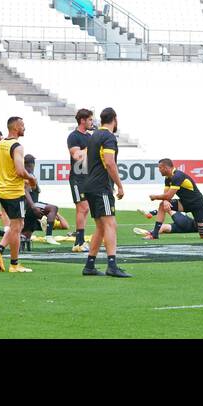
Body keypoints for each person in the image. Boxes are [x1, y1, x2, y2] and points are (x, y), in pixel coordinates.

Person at [82, 107, 129, 278]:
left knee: (101, 227)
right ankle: (112, 264)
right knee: (110, 224)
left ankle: (90, 265)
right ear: (114, 119)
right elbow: (109, 163)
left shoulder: (94, 135)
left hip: (90, 185)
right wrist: (120, 185)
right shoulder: (108, 137)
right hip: (101, 186)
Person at [0, 117, 35, 273]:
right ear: (16, 127)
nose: (24, 127)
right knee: (17, 228)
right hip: (14, 192)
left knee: (16, 225)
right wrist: (31, 178)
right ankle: (14, 264)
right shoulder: (17, 146)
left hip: (2, 191)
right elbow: (20, 170)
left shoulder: (1, 144)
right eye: (22, 125)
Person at [147, 159, 203, 239]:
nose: (159, 170)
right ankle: (155, 235)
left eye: (160, 168)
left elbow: (168, 196)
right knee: (162, 205)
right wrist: (165, 201)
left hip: (198, 205)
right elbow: (166, 195)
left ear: (165, 168)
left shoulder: (178, 176)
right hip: (185, 203)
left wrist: (154, 197)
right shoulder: (168, 178)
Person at [19, 155, 64, 247]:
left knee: (25, 235)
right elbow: (25, 191)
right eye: (31, 166)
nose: (32, 168)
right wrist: (33, 206)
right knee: (53, 208)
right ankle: (49, 236)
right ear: (28, 165)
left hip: (25, 209)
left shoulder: (28, 174)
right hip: (29, 206)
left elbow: (33, 189)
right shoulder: (27, 175)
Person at [67, 109, 94, 251]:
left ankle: (80, 241)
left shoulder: (90, 136)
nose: (92, 122)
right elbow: (77, 156)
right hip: (78, 178)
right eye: (90, 120)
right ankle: (78, 242)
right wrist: (90, 147)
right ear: (82, 120)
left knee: (86, 209)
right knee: (82, 208)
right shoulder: (74, 136)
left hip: (88, 177)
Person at [133, 198, 198, 240]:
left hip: (187, 224)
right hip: (188, 228)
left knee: (168, 207)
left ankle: (151, 213)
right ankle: (150, 232)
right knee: (163, 227)